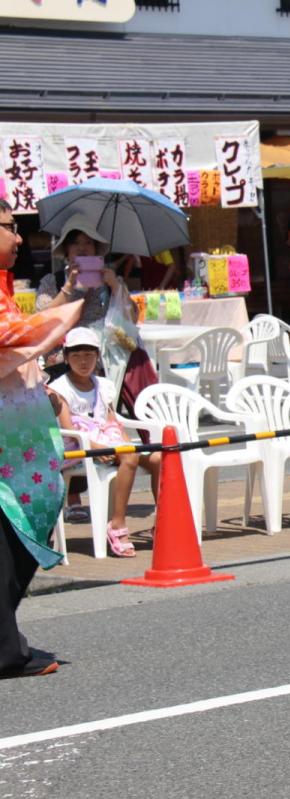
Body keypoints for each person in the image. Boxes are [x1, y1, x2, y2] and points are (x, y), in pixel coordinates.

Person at [0, 198, 82, 678]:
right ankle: (6, 650)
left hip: (19, 446)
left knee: (16, 542)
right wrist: (65, 313)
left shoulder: (4, 287)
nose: (17, 238)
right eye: (9, 227)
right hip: (7, 453)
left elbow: (20, 342)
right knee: (8, 545)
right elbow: (15, 338)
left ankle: (7, 643)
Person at [48, 327, 161, 557]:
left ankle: (161, 522)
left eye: (89, 355)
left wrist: (125, 443)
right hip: (79, 451)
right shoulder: (60, 388)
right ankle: (117, 523)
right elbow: (69, 431)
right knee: (129, 455)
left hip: (108, 444)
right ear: (66, 357)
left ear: (97, 356)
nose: (83, 361)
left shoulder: (103, 385)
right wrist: (99, 448)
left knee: (159, 458)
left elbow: (113, 421)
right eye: (76, 356)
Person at [36, 216, 158, 413]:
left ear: (95, 249)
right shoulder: (52, 281)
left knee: (103, 418)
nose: (82, 248)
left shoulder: (109, 281)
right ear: (66, 249)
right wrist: (70, 286)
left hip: (103, 363)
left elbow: (133, 317)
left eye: (88, 243)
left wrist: (115, 285)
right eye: (76, 243)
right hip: (63, 361)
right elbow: (42, 319)